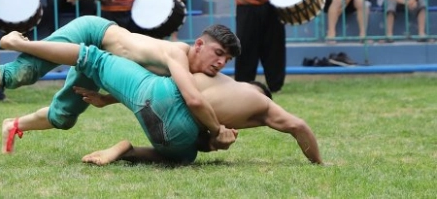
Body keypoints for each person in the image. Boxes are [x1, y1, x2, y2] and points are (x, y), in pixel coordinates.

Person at [0, 15, 241, 156]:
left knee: (64, 117)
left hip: (99, 58)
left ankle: (13, 124)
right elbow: (194, 101)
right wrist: (217, 131)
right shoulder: (177, 54)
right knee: (21, 73)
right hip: (92, 33)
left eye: (226, 59)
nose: (220, 63)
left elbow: (150, 91)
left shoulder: (180, 66)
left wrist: (104, 99)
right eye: (218, 53)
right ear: (199, 44)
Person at [70, 71, 322, 165]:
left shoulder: (213, 77)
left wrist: (105, 98)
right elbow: (297, 125)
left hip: (147, 94)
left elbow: (165, 91)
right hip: (174, 127)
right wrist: (319, 163)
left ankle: (127, 150)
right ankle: (130, 151)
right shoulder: (261, 103)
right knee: (188, 155)